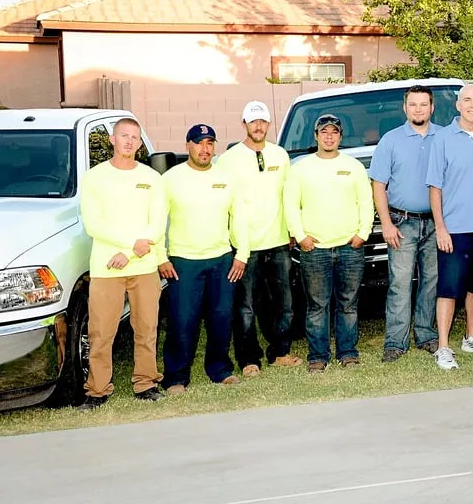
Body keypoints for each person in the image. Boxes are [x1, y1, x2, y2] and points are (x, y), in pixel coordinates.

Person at [78, 117, 167, 409]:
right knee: (101, 332)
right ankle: (97, 390)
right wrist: (131, 246)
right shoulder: (95, 178)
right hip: (107, 268)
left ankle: (146, 383)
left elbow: (157, 224)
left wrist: (129, 253)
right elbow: (94, 224)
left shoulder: (151, 178)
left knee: (146, 328)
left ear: (140, 144)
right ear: (112, 140)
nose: (129, 141)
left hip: (142, 267)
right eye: (124, 136)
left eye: (135, 137)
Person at [157, 124, 248, 394]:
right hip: (184, 261)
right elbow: (157, 221)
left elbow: (240, 218)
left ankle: (220, 370)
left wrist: (241, 254)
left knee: (221, 318)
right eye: (199, 143)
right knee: (183, 321)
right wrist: (161, 257)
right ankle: (176, 377)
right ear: (188, 146)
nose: (205, 149)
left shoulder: (227, 178)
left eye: (210, 143)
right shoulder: (170, 179)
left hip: (221, 260)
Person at [217, 101, 302, 376]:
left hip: (278, 242)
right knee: (246, 308)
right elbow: (225, 203)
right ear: (244, 124)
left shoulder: (280, 155)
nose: (258, 126)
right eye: (253, 122)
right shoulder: (228, 159)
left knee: (285, 305)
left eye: (263, 121)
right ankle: (248, 359)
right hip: (246, 246)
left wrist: (291, 230)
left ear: (268, 124)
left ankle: (280, 352)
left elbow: (288, 197)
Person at [284, 114, 373, 371]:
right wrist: (300, 236)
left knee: (348, 305)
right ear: (316, 136)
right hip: (315, 251)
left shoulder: (354, 166)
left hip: (349, 248)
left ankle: (347, 352)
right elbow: (291, 205)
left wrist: (362, 234)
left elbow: (366, 203)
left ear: (340, 137)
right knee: (316, 307)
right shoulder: (300, 168)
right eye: (324, 132)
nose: (329, 136)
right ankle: (318, 356)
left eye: (334, 132)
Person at [426, 84, 473, 370]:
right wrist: (441, 228)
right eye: (467, 100)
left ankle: (471, 337)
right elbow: (435, 188)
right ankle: (443, 347)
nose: (472, 105)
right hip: (454, 229)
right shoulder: (443, 139)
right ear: (457, 105)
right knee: (448, 288)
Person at [369, 85, 442, 362]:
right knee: (400, 284)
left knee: (431, 282)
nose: (419, 109)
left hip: (435, 224)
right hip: (402, 222)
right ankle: (395, 342)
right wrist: (386, 223)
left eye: (424, 104)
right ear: (405, 108)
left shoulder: (442, 138)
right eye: (413, 104)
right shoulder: (390, 140)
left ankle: (426, 334)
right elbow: (378, 186)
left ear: (432, 108)